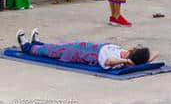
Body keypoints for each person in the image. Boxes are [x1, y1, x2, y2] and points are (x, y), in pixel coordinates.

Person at [16, 28, 158, 69]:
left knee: (54, 52)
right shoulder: (125, 53)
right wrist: (143, 61)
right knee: (57, 47)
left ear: (134, 52)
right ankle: (38, 44)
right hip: (85, 47)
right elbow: (155, 53)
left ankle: (27, 47)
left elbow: (107, 61)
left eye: (137, 48)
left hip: (79, 54)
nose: (135, 46)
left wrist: (126, 62)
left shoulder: (119, 61)